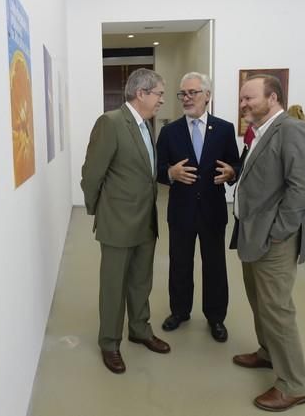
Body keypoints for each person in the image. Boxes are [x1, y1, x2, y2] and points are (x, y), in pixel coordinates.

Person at [230, 75, 305, 412]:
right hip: (253, 235)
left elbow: (302, 190)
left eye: (249, 98)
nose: (243, 104)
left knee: (277, 310)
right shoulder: (263, 132)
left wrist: (278, 232)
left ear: (274, 97)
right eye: (241, 99)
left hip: (273, 239)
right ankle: (268, 353)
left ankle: (294, 385)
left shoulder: (293, 130)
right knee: (259, 302)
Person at [81, 68, 170, 375]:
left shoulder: (145, 125)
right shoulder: (111, 123)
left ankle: (140, 329)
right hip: (118, 221)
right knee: (114, 286)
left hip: (146, 220)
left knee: (141, 280)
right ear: (141, 93)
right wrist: (99, 212)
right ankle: (109, 342)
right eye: (159, 93)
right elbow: (92, 173)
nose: (162, 100)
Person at [156, 72, 239, 342]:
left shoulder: (225, 130)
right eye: (183, 94)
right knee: (180, 263)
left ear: (207, 95)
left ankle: (216, 317)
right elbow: (156, 170)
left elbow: (235, 165)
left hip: (213, 211)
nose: (187, 98)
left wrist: (231, 174)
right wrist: (171, 174)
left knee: (214, 265)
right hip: (181, 211)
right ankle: (179, 311)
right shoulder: (169, 132)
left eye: (193, 92)